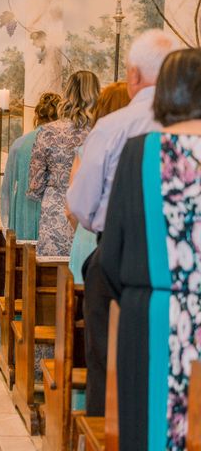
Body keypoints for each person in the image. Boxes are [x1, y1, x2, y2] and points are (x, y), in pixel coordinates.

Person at [66, 29, 180, 416]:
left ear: (133, 75)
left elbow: (81, 205)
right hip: (183, 263)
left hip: (119, 258)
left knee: (107, 362)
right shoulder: (189, 128)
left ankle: (103, 430)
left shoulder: (114, 126)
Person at [100, 48, 201, 451]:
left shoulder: (141, 152)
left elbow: (112, 253)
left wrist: (144, 299)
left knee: (151, 436)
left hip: (153, 316)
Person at [27, 70, 100, 256]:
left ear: (67, 94)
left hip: (54, 216)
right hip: (90, 216)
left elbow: (35, 186)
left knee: (54, 277)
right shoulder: (101, 131)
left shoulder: (47, 131)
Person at [67, 82, 130, 285]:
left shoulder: (89, 148)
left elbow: (71, 209)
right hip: (128, 244)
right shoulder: (142, 146)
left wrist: (84, 231)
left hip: (88, 238)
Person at [0, 92, 60, 240]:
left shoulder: (19, 144)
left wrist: (8, 223)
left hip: (24, 214)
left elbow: (7, 189)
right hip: (53, 217)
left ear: (37, 117)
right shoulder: (64, 144)